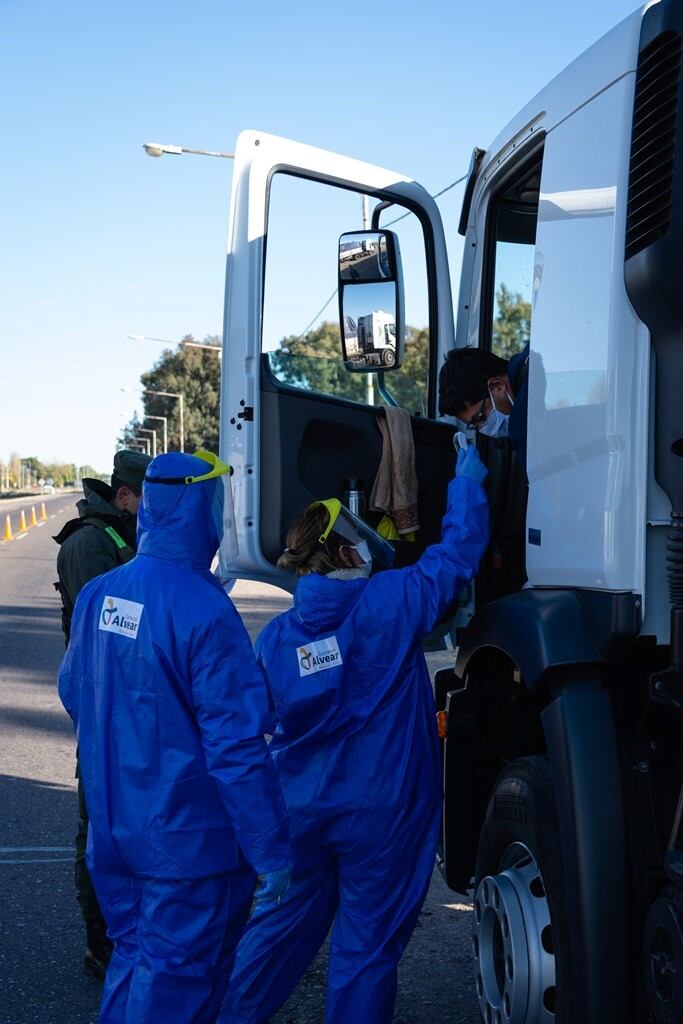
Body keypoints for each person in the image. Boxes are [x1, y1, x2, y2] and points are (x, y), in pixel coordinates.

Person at [221, 443, 489, 1024]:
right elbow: (456, 555)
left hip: (301, 815)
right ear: (343, 549)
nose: (369, 544)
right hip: (384, 817)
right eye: (359, 537)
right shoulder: (391, 602)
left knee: (270, 944)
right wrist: (467, 479)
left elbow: (245, 732)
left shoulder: (276, 639)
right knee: (365, 955)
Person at [58, 450, 291, 1024]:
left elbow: (74, 693)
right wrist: (270, 850)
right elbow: (236, 748)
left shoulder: (101, 594)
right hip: (188, 847)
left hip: (115, 833)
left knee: (134, 963)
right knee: (176, 985)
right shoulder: (204, 609)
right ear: (200, 508)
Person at [54, 448, 151, 980]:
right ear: (124, 497)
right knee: (98, 824)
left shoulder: (121, 537)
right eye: (146, 503)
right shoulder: (90, 543)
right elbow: (111, 631)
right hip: (102, 701)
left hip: (127, 701)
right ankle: (102, 944)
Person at [438, 342, 530, 467]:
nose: (484, 430)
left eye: (480, 417)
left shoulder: (523, 424)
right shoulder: (532, 355)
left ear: (497, 385)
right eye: (474, 426)